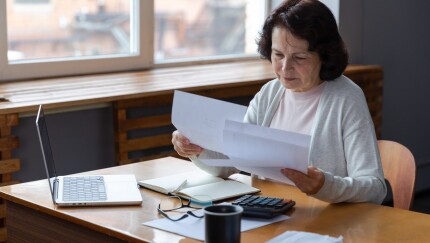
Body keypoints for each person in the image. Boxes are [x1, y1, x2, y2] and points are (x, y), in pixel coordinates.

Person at [172, 0, 386, 204]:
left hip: (323, 223)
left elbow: (375, 188)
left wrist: (325, 185)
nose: (285, 68)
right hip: (269, 213)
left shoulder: (346, 98)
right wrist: (198, 148)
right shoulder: (270, 93)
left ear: (325, 55)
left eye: (299, 58)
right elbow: (233, 163)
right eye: (278, 55)